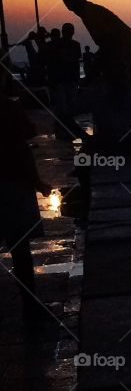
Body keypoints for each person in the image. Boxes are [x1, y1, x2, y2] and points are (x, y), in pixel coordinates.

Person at [0, 69, 51, 326]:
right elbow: (22, 151)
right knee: (20, 250)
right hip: (14, 185)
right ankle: (30, 306)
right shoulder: (9, 110)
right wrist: (38, 182)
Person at [61, 0, 131, 87]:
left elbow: (109, 46)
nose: (69, 1)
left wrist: (90, 77)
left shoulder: (91, 14)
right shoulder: (89, 13)